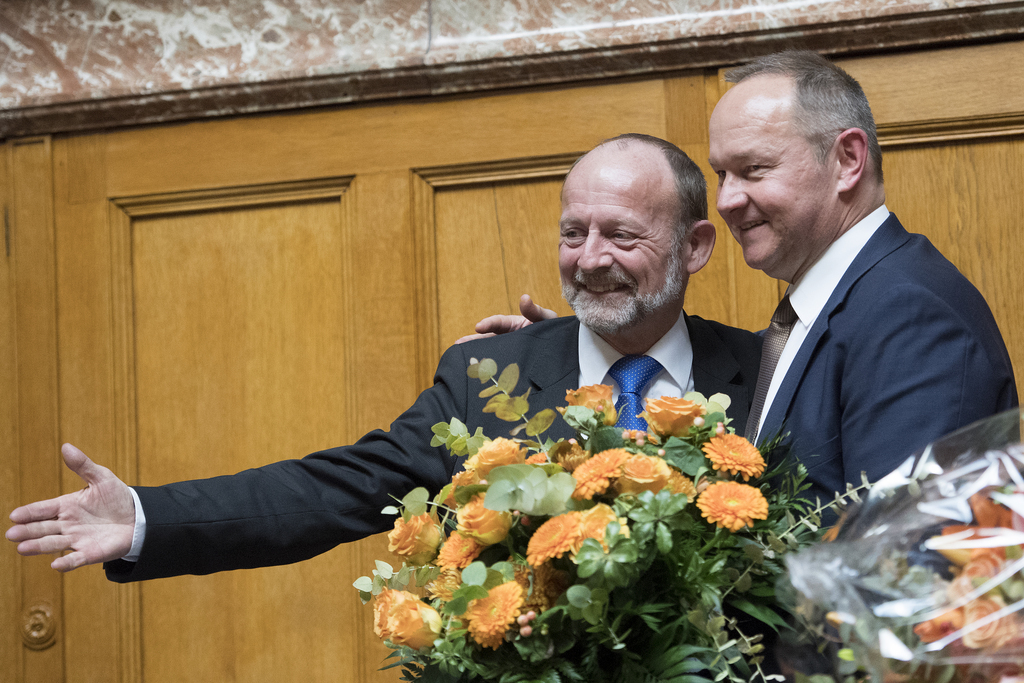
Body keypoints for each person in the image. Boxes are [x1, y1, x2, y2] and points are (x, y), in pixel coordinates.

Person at [5, 134, 762, 581]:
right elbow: (334, 488)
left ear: (695, 247)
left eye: (621, 236)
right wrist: (144, 516)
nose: (589, 260)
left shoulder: (765, 369)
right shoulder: (485, 378)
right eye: (573, 232)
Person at [472, 51, 1018, 508]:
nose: (729, 199)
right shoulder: (836, 306)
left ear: (848, 159)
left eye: (753, 170)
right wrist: (569, 348)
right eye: (721, 175)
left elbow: (900, 569)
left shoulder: (909, 314)